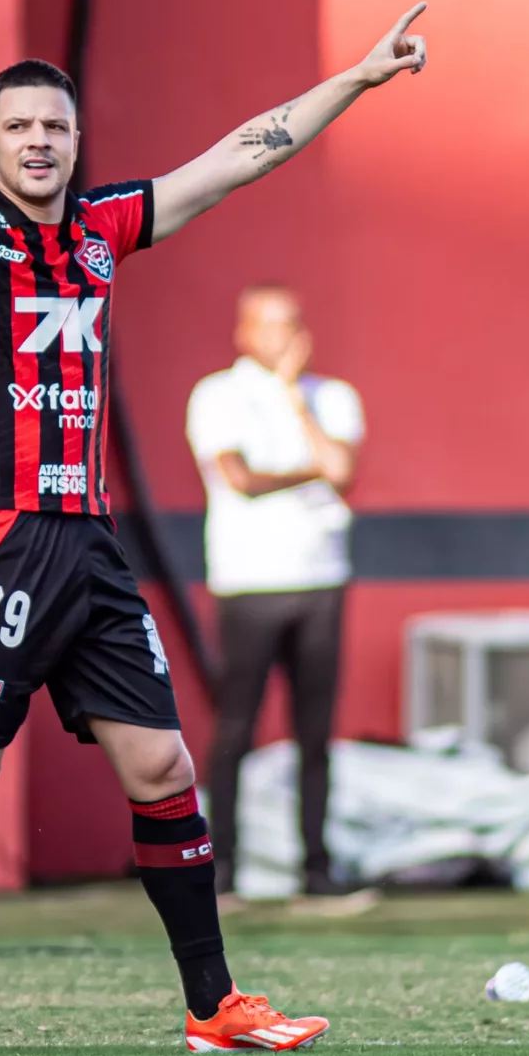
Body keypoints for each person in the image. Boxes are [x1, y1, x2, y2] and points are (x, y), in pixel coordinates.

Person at [0, 0, 430, 1056]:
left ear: (77, 145)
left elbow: (239, 157)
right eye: (20, 126)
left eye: (56, 127)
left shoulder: (106, 227)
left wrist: (356, 78)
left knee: (164, 767)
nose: (39, 141)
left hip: (88, 542)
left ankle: (213, 1006)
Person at [186, 286, 366, 898]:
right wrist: (313, 472)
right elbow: (240, 479)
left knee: (315, 732)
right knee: (236, 726)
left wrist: (293, 397)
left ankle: (317, 867)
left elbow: (343, 469)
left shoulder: (331, 397)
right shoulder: (217, 395)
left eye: (292, 324)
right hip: (248, 581)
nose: (283, 336)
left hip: (321, 580)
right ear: (243, 332)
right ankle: (222, 868)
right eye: (270, 325)